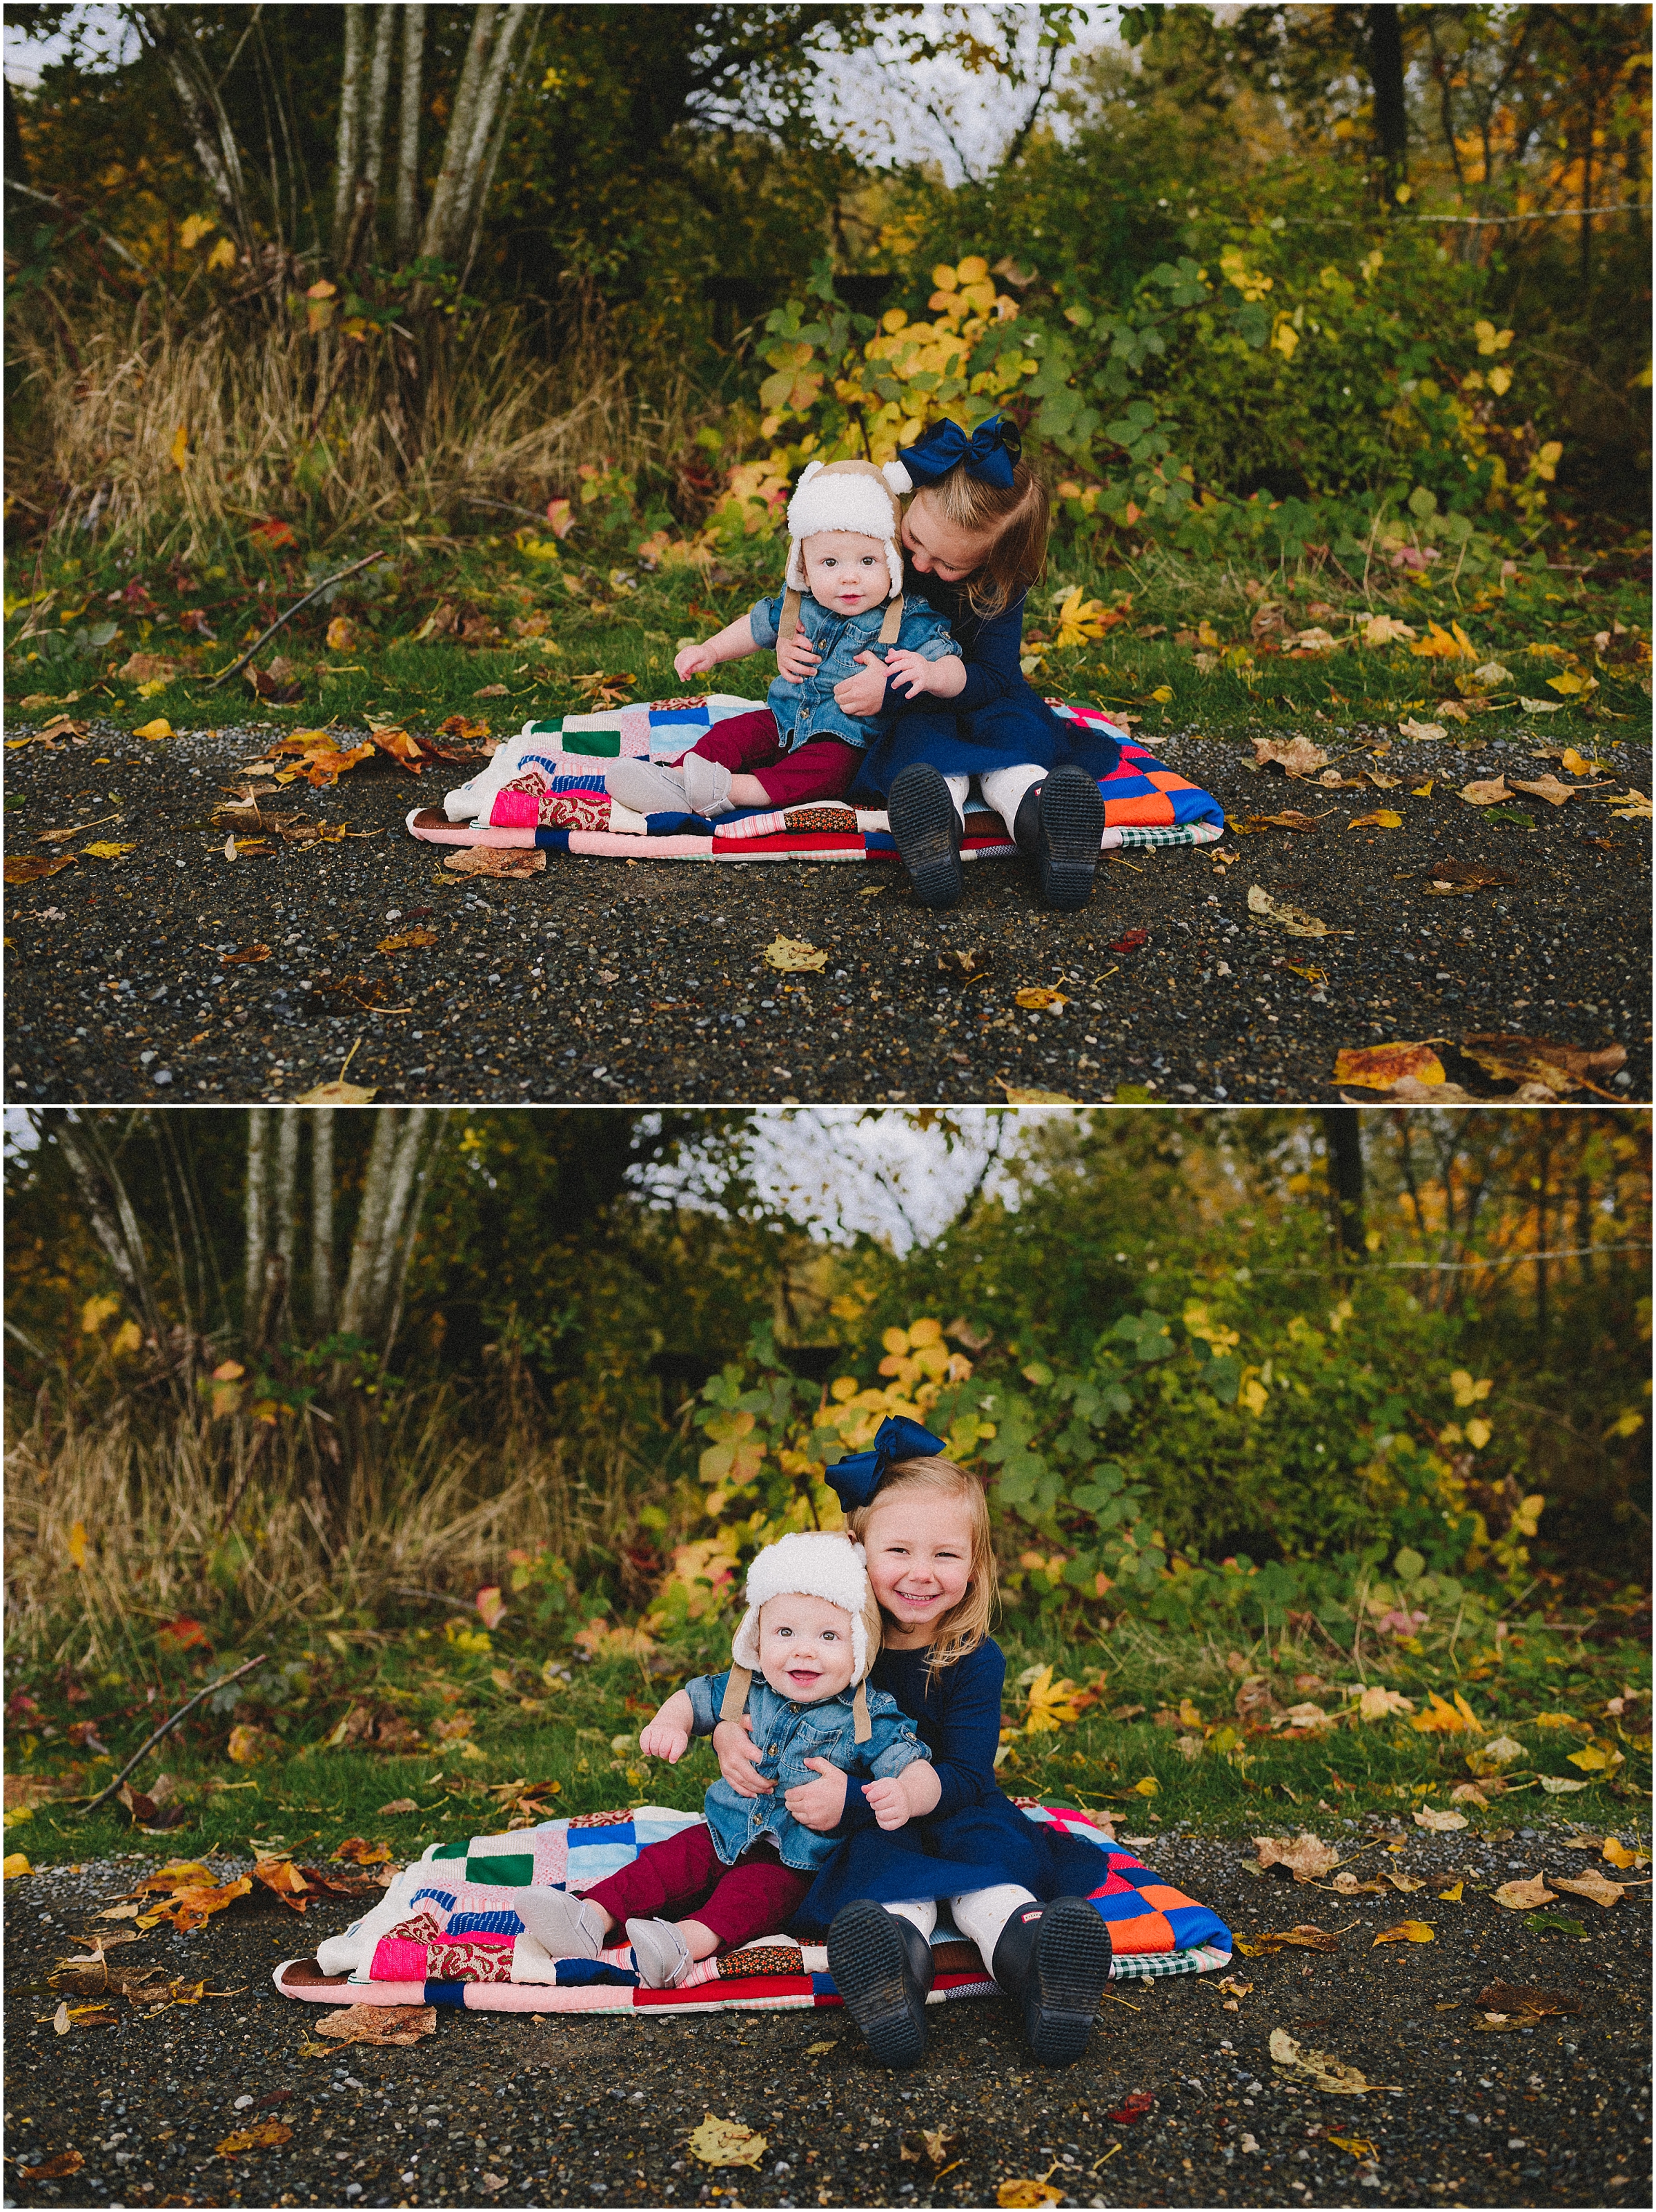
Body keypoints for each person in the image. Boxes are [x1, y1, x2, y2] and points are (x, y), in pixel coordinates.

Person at [711, 1419, 1114, 2068]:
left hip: (958, 1808)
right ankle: (892, 1979)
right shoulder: (832, 1643)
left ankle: (1045, 1974)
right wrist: (729, 1732)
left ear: (975, 1565)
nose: (921, 1574)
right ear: (856, 1551)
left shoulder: (975, 1659)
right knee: (887, 1888)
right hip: (870, 1824)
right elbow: (752, 1692)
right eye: (898, 1551)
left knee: (995, 1882)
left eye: (946, 1555)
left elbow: (968, 1775)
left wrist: (878, 1798)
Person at [513, 1529, 936, 1989]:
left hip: (795, 1862)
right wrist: (670, 1723)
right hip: (724, 1831)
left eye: (829, 1635)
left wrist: (908, 1792)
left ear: (859, 1644)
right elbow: (692, 1699)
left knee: (747, 1897)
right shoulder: (746, 1688)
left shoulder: (866, 1713)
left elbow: (911, 1761)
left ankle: (678, 1946)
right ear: (757, 1636)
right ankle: (589, 1917)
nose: (804, 1648)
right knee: (667, 1863)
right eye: (785, 1631)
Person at [782, 415, 1120, 912]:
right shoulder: (876, 546)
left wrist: (927, 678)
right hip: (914, 704)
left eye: (948, 566)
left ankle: (1048, 821)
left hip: (980, 693)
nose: (920, 566)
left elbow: (995, 675)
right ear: (909, 497)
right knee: (924, 755)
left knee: (1016, 745)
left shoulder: (1000, 587)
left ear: (994, 563)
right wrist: (790, 644)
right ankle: (934, 828)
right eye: (914, 540)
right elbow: (812, 596)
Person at [602, 458, 963, 821]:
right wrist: (710, 650)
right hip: (782, 720)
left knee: (826, 773)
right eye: (831, 563)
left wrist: (930, 673)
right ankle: (674, 779)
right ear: (804, 566)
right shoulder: (798, 605)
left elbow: (953, 665)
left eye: (868, 561)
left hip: (844, 741)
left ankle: (732, 791)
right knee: (733, 733)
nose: (849, 578)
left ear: (893, 562)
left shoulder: (907, 618)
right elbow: (754, 628)